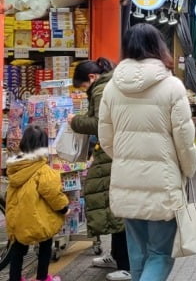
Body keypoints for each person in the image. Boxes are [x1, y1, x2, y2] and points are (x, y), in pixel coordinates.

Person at [98, 23, 196, 281]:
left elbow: (106, 139)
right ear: (158, 47)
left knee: (138, 255)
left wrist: (125, 160)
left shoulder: (112, 87)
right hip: (163, 183)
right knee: (160, 255)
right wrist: (188, 170)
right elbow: (185, 141)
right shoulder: (172, 86)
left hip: (126, 182)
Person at [69, 58, 131, 281]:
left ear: (92, 78)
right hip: (111, 151)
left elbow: (99, 123)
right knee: (111, 205)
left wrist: (74, 121)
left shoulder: (102, 89)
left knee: (116, 207)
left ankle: (127, 264)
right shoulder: (109, 84)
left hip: (112, 153)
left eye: (84, 86)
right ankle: (117, 257)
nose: (85, 90)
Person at [6, 125, 69, 281]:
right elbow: (53, 194)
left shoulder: (15, 167)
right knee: (45, 246)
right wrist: (64, 208)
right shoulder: (43, 170)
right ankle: (42, 277)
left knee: (18, 250)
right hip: (38, 220)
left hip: (18, 219)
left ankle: (15, 278)